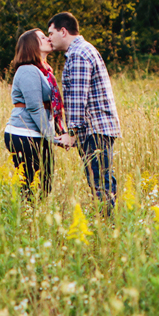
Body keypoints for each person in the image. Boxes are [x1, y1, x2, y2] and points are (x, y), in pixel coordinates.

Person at [48, 12, 121, 210]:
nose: (49, 39)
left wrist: (72, 134)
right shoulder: (79, 51)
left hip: (94, 131)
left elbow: (78, 99)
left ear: (63, 31)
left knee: (100, 185)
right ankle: (109, 227)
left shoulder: (79, 54)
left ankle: (107, 229)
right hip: (95, 130)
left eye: (51, 33)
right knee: (101, 182)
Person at [4, 29, 60, 198]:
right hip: (23, 134)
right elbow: (35, 107)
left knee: (45, 182)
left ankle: (37, 219)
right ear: (31, 45)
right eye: (42, 37)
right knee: (29, 184)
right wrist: (52, 137)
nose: (48, 39)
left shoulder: (44, 71)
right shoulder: (27, 70)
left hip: (37, 134)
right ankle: (26, 219)